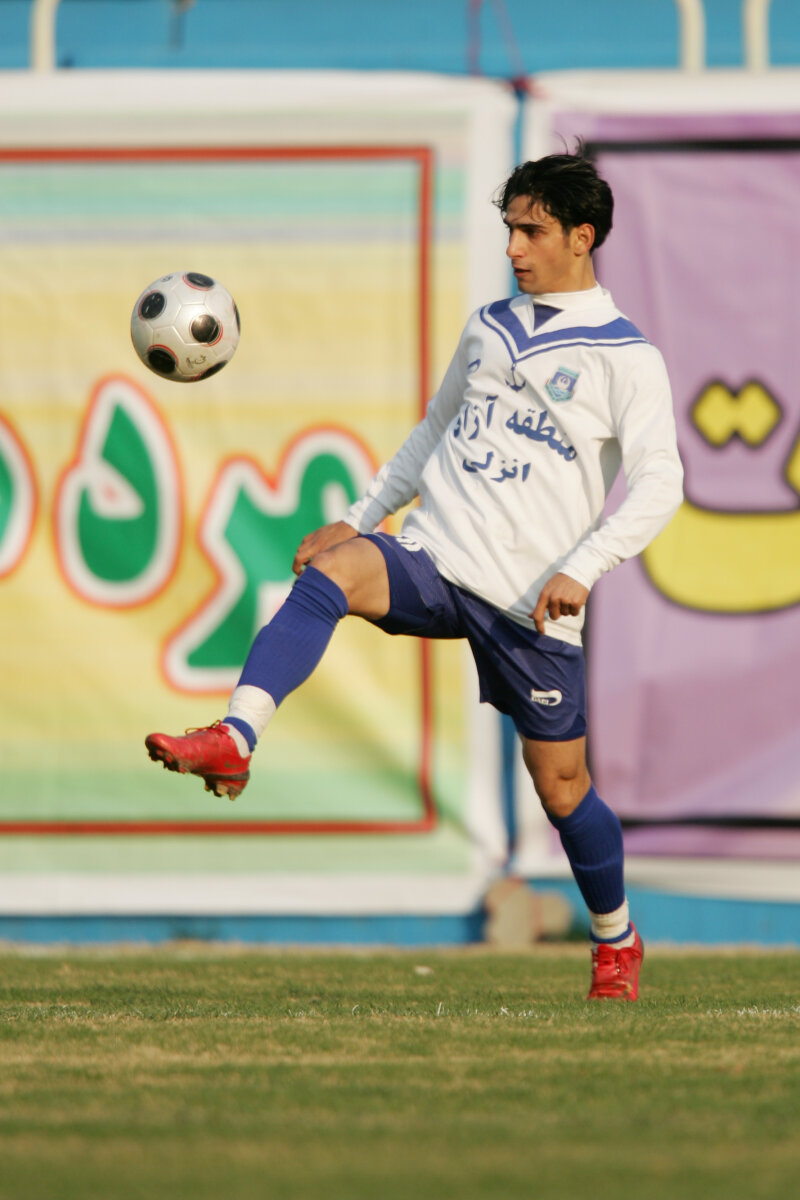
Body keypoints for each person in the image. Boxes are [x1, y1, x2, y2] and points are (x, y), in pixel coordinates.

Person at [146, 152, 683, 1002]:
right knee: (331, 574)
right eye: (509, 228)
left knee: (563, 789)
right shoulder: (490, 326)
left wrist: (584, 567)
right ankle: (236, 738)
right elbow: (433, 433)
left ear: (582, 238)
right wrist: (359, 519)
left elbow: (661, 484)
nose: (513, 247)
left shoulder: (626, 358)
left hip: (529, 602)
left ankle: (615, 939)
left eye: (532, 230)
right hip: (436, 555)